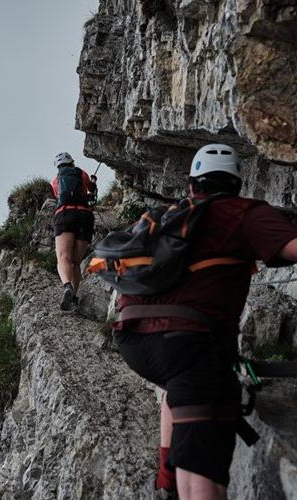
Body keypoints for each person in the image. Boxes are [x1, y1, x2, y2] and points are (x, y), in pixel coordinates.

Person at [112, 144, 297, 500]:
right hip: (187, 343)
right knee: (202, 475)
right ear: (236, 185)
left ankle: (166, 480)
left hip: (133, 340)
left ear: (192, 185)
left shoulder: (171, 215)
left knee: (180, 385)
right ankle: (181, 481)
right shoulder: (244, 212)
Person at [51, 152, 97, 311]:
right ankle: (74, 299)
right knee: (76, 262)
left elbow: (57, 196)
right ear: (72, 162)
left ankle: (67, 287)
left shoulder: (56, 181)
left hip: (65, 214)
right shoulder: (81, 173)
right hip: (85, 216)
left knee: (64, 257)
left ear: (58, 167)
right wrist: (92, 183)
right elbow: (91, 189)